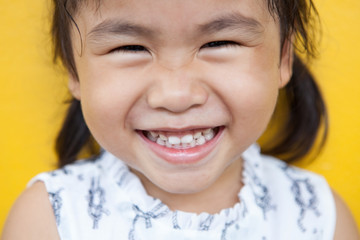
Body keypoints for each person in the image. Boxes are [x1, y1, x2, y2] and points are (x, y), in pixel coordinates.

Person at [2, 0, 359, 239]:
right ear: (74, 71)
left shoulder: (319, 217)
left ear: (283, 57)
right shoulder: (50, 219)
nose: (176, 95)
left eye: (219, 43)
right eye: (130, 48)